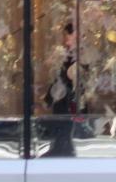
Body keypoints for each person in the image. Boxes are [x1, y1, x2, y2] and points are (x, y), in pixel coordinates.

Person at [43, 22, 78, 157]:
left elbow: (64, 78)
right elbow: (59, 79)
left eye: (68, 35)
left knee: (64, 125)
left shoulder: (76, 55)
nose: (66, 39)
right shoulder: (67, 55)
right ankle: (61, 147)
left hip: (68, 99)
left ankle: (63, 148)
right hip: (62, 99)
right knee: (61, 125)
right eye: (66, 36)